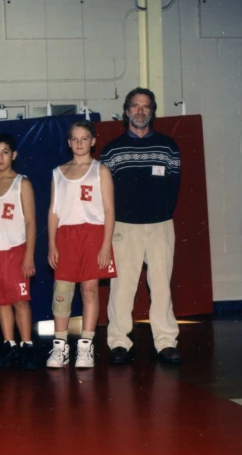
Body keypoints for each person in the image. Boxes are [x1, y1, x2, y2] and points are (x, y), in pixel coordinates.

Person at [100, 88, 182, 364]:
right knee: (122, 288)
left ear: (152, 111)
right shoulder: (111, 150)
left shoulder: (168, 146)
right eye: (135, 106)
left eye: (145, 106)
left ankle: (166, 342)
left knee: (161, 287)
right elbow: (104, 194)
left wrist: (158, 213)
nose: (140, 111)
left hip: (160, 226)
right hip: (124, 228)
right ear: (126, 111)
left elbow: (174, 187)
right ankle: (119, 342)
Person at [46, 121, 116, 369]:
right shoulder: (58, 172)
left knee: (89, 291)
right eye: (74, 139)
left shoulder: (101, 171)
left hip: (93, 235)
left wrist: (106, 245)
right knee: (62, 293)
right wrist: (52, 245)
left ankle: (86, 346)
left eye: (84, 138)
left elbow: (109, 211)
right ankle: (60, 347)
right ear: (68, 142)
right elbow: (53, 212)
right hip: (66, 236)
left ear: (93, 141)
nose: (79, 143)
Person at [0, 133, 37, 370]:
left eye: (5, 152)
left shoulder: (22, 183)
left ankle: (27, 345)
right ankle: (10, 344)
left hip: (16, 250)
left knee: (20, 300)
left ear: (13, 155)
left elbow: (31, 222)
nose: (0, 157)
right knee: (1, 302)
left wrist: (29, 255)